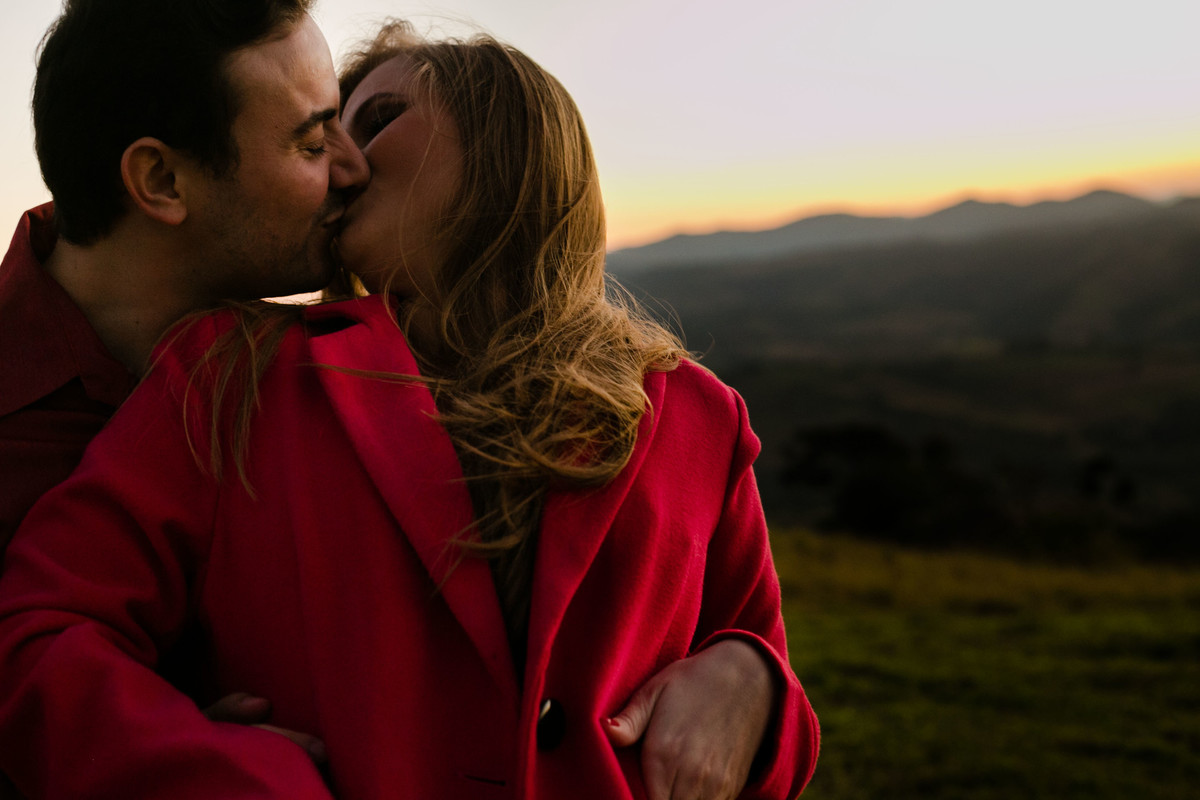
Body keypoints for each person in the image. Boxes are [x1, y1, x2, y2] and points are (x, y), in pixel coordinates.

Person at [0, 17, 818, 800]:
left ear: (510, 145)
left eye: (377, 119)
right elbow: (45, 629)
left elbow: (762, 683)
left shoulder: (701, 419)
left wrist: (759, 690)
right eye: (318, 140)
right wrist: (214, 774)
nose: (343, 166)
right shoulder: (231, 374)